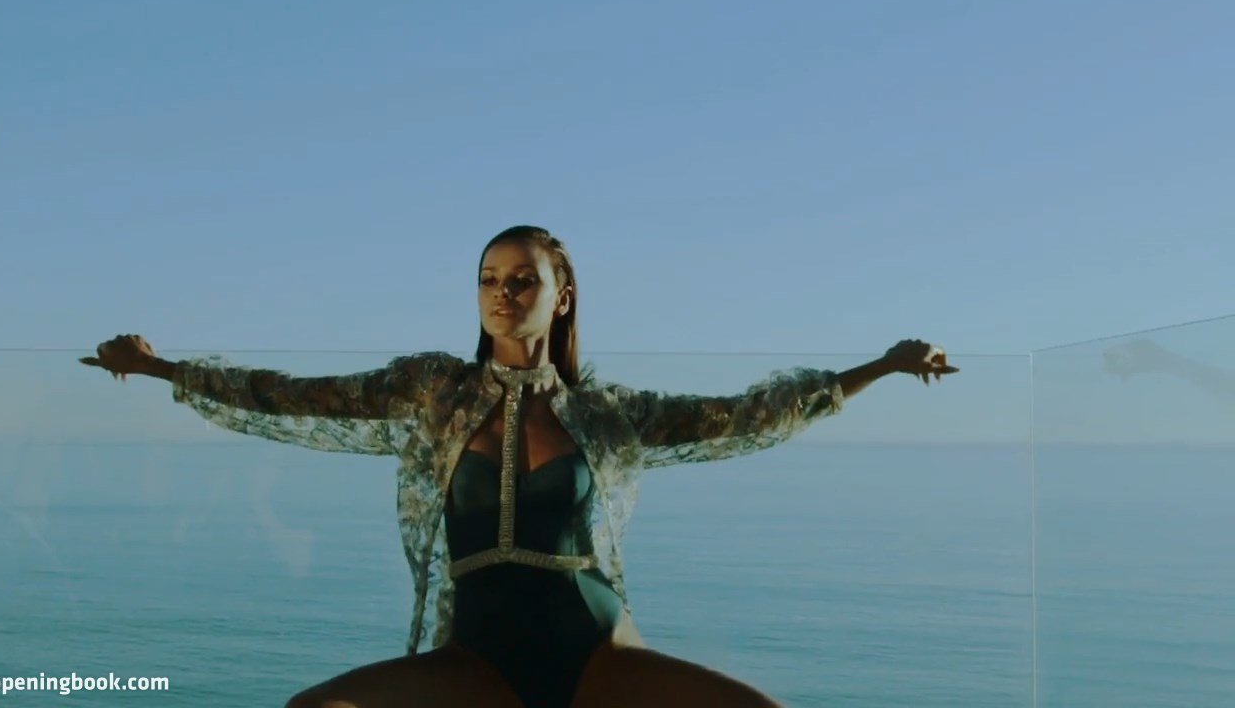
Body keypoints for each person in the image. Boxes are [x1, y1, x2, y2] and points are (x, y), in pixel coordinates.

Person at [82, 226, 958, 708]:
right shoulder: (431, 390)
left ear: (560, 295)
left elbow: (745, 418)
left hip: (598, 648)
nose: (502, 293)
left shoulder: (605, 412)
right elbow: (291, 396)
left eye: (522, 280)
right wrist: (163, 371)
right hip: (481, 656)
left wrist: (881, 367)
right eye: (488, 278)